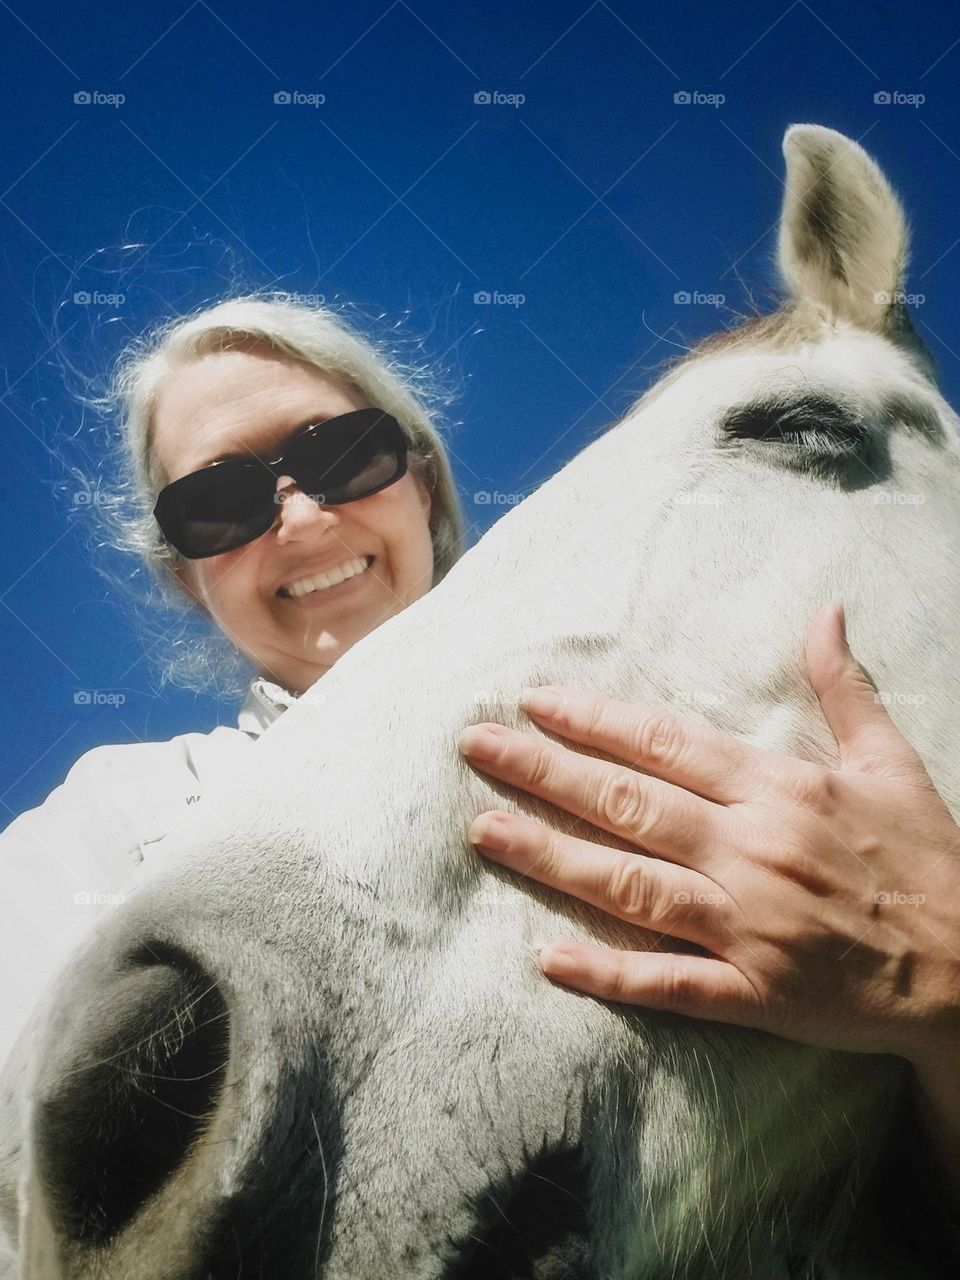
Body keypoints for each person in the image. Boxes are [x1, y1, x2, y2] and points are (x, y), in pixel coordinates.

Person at [2, 294, 959, 1263]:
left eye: (342, 454)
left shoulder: (719, 735)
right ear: (185, 576)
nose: (299, 514)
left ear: (421, 480)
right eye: (217, 504)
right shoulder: (101, 826)